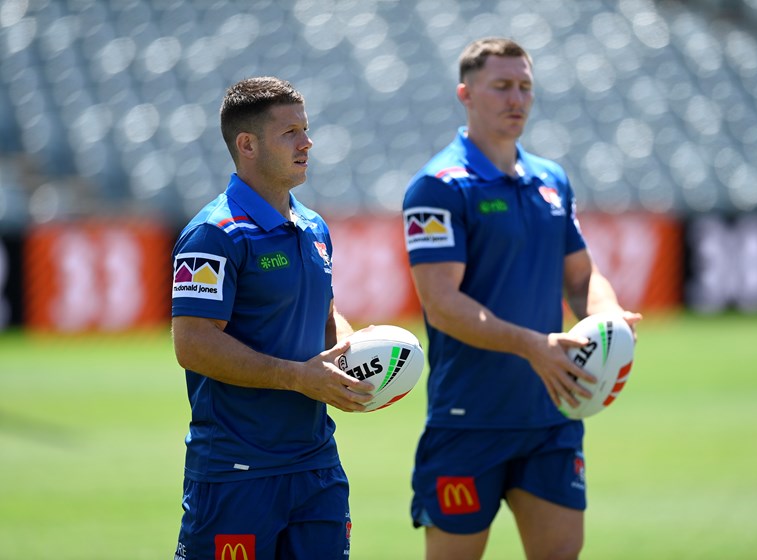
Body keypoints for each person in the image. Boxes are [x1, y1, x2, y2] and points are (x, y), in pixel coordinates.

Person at [402, 38, 643, 560]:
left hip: (551, 415)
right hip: (468, 419)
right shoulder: (438, 187)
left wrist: (606, 319)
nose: (517, 99)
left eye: (526, 87)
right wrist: (534, 345)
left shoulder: (551, 180)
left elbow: (582, 277)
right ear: (466, 94)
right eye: (502, 86)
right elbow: (442, 303)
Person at [170, 76, 374, 560]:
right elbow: (192, 344)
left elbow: (323, 311)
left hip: (316, 464)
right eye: (290, 133)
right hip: (236, 471)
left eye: (305, 129)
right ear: (247, 145)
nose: (308, 142)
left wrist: (351, 354)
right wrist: (297, 377)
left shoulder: (313, 226)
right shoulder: (212, 235)